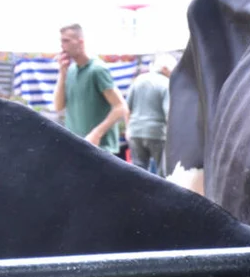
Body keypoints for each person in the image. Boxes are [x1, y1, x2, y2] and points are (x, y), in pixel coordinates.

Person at [53, 24, 128, 155]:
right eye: (61, 41)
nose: (62, 45)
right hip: (77, 147)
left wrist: (96, 134)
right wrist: (62, 73)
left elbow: (120, 107)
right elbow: (58, 106)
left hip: (101, 150)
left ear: (80, 42)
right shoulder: (69, 71)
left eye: (66, 40)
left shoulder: (97, 69)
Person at [126, 53, 176, 174]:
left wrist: (128, 129)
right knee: (161, 172)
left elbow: (127, 107)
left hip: (135, 132)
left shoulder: (138, 80)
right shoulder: (166, 83)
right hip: (157, 133)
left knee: (138, 171)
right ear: (165, 68)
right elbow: (169, 113)